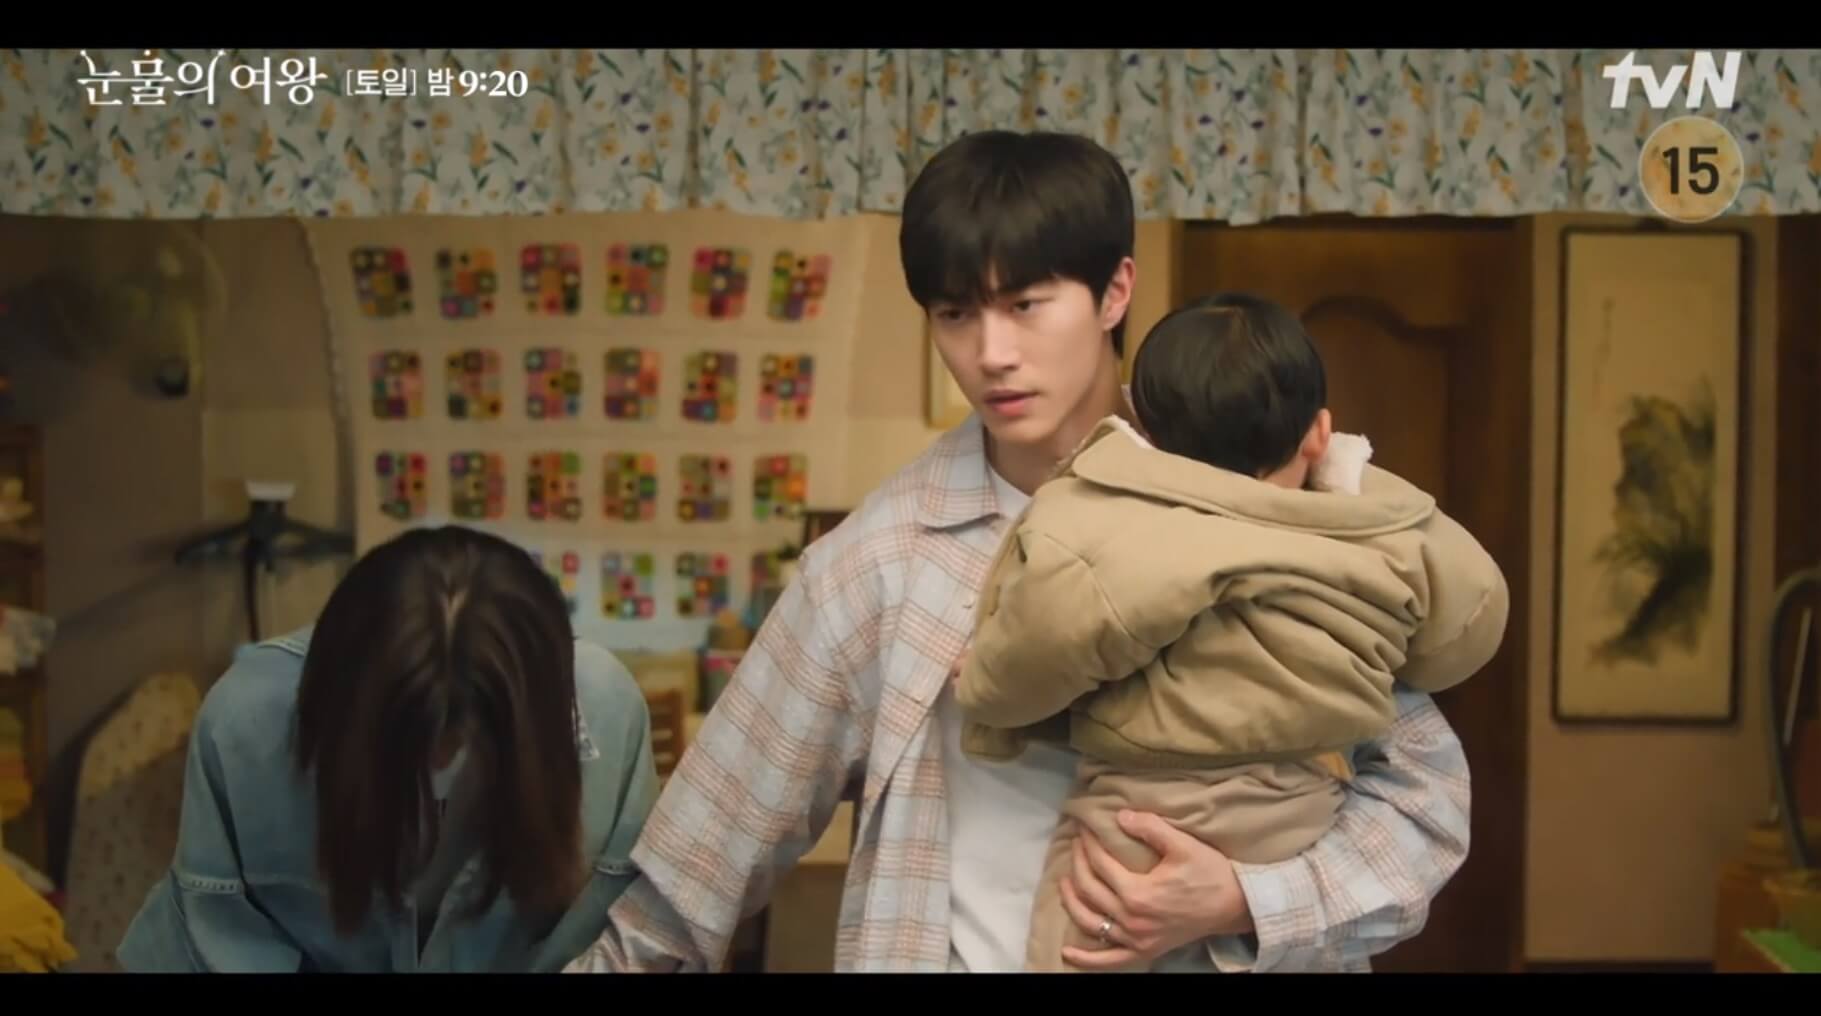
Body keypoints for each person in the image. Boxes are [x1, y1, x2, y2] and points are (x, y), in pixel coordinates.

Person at [565, 129, 1475, 975]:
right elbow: (698, 863)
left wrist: (1243, 899)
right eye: (956, 314)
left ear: (1114, 292)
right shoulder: (878, 562)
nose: (990, 352)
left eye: (1025, 305)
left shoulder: (1260, 501)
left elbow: (1424, 805)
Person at [952, 291, 1509, 972]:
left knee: (1073, 945)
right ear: (1319, 434)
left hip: (1139, 822)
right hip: (1300, 815)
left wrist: (983, 685)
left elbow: (1039, 652)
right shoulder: (1374, 543)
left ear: (1150, 439)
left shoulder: (1112, 532)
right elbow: (1466, 627)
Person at [117, 525, 659, 972]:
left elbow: (617, 931)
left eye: (464, 737)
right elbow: (217, 932)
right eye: (419, 738)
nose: (442, 763)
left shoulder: (603, 710)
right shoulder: (247, 724)